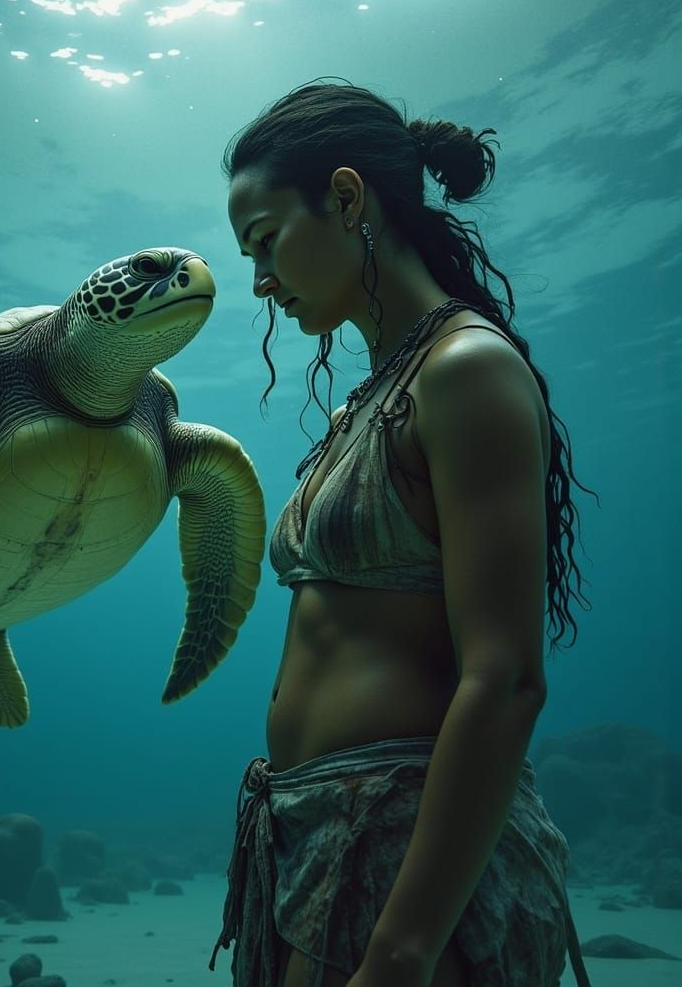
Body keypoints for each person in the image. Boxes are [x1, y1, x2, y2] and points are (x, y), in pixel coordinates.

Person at [208, 80, 595, 987]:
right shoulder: (373, 394)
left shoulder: (466, 372)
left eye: (265, 244)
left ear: (347, 199)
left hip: (406, 858)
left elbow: (505, 680)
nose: (259, 281)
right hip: (308, 848)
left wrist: (404, 946)